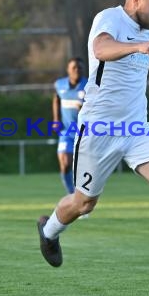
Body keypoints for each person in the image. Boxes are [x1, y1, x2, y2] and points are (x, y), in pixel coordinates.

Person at [37, 0, 149, 296]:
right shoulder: (109, 18)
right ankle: (49, 231)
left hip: (137, 128)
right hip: (99, 130)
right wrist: (140, 46)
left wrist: (145, 40)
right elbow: (101, 48)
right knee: (84, 202)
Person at [52, 57, 88, 195]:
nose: (77, 70)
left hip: (85, 133)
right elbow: (56, 99)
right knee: (65, 163)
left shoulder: (89, 86)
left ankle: (83, 197)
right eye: (74, 67)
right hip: (66, 132)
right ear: (68, 70)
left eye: (80, 68)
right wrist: (56, 119)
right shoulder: (60, 85)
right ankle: (72, 195)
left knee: (82, 168)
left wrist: (84, 111)